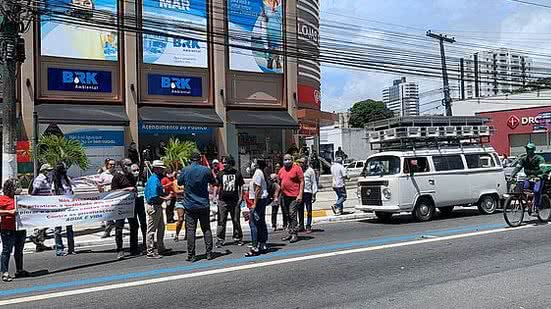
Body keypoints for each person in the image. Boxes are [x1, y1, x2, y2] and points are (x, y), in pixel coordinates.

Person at [178, 152, 217, 262]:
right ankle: (209, 253)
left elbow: (179, 182)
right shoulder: (206, 170)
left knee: (191, 230)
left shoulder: (185, 170)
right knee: (206, 228)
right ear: (200, 160)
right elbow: (214, 182)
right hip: (203, 204)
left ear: (190, 160)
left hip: (190, 204)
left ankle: (191, 255)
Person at [0, 179, 29, 282]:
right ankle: (5, 272)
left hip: (20, 228)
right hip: (8, 229)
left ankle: (19, 270)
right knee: (6, 251)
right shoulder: (3, 199)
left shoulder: (20, 199)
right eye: (15, 186)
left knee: (19, 251)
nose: (17, 188)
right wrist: (9, 212)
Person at [111, 159, 140, 260]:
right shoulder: (117, 177)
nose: (130, 166)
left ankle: (134, 248)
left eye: (131, 164)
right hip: (120, 207)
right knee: (119, 228)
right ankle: (120, 249)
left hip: (130, 205)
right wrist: (126, 189)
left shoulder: (131, 176)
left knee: (134, 226)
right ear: (123, 166)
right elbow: (113, 191)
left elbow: (134, 187)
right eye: (128, 165)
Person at [144, 160, 172, 259]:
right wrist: (166, 198)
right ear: (156, 169)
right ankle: (150, 251)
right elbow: (153, 196)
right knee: (152, 229)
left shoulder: (155, 179)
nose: (162, 170)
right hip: (154, 205)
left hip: (157, 205)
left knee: (161, 227)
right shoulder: (154, 180)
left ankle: (160, 247)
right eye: (160, 168)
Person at [215, 155, 245, 248]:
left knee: (236, 220)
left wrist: (241, 198)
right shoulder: (220, 174)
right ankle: (220, 239)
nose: (224, 164)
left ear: (230, 163)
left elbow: (241, 187)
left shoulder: (237, 173)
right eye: (223, 162)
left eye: (225, 162)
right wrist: (215, 197)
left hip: (235, 201)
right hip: (222, 201)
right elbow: (217, 185)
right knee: (221, 221)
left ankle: (237, 237)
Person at [278, 154, 304, 243]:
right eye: (285, 159)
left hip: (294, 196)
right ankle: (290, 232)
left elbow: (302, 181)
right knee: (287, 214)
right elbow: (279, 182)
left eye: (289, 159)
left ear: (292, 160)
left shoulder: (297, 168)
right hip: (284, 196)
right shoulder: (281, 170)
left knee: (292, 213)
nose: (287, 161)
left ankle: (294, 234)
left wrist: (300, 194)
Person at [245, 160, 269, 257]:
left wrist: (254, 203)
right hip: (260, 200)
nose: (251, 164)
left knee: (253, 223)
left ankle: (255, 247)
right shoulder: (258, 173)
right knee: (260, 222)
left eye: (253, 163)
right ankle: (262, 244)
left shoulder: (258, 173)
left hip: (258, 201)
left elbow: (258, 188)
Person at [511, 143, 546, 209]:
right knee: (522, 188)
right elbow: (518, 167)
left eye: (529, 149)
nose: (527, 150)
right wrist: (512, 175)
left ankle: (537, 206)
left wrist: (541, 175)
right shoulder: (523, 159)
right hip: (529, 178)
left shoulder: (539, 158)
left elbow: (543, 168)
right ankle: (527, 202)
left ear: (533, 150)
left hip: (538, 177)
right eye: (527, 149)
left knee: (536, 190)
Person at [28, 163, 54, 252]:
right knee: (44, 222)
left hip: (46, 204)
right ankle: (34, 236)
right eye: (49, 170)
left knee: (45, 222)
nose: (50, 172)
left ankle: (40, 244)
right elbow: (35, 191)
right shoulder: (40, 179)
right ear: (44, 171)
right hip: (41, 205)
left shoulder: (47, 179)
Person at [52, 162, 76, 256]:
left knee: (69, 228)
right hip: (59, 208)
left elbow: (72, 190)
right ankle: (59, 249)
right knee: (58, 230)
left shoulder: (67, 180)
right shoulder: (54, 182)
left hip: (69, 208)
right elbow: (53, 195)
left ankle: (71, 248)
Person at [299, 158, 318, 233]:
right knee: (300, 210)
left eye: (303, 162)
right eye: (300, 162)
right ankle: (301, 225)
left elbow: (314, 182)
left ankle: (308, 225)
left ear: (306, 163)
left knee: (309, 210)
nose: (301, 164)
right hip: (300, 192)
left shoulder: (310, 171)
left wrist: (314, 194)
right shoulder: (299, 170)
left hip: (308, 192)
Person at [131, 164, 148, 252]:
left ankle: (145, 241)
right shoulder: (129, 180)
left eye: (137, 170)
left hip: (141, 202)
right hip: (132, 204)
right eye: (134, 170)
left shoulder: (142, 178)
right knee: (134, 225)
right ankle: (134, 245)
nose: (136, 172)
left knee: (143, 223)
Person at [99, 159, 116, 238]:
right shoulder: (103, 175)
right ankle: (107, 231)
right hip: (107, 197)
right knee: (108, 214)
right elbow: (99, 185)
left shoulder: (117, 174)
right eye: (111, 164)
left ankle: (117, 231)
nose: (112, 166)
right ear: (107, 165)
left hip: (116, 197)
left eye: (114, 164)